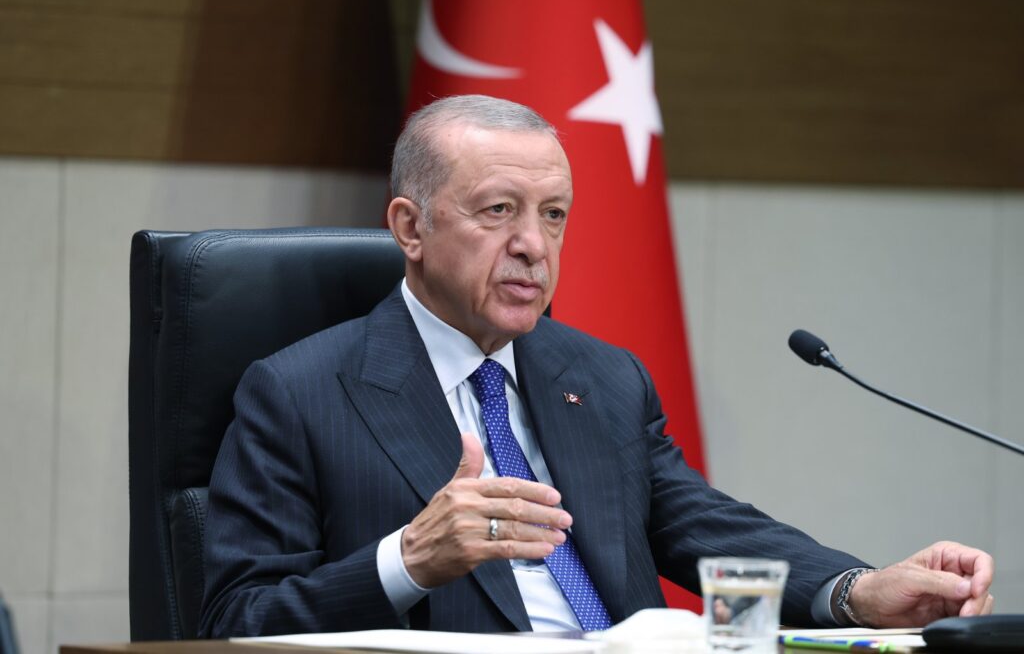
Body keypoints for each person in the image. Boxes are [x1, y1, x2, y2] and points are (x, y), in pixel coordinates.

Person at [199, 95, 994, 637]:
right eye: (499, 211)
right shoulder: (298, 392)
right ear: (411, 226)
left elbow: (703, 527)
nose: (534, 247)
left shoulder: (601, 375)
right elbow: (235, 622)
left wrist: (858, 592)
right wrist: (407, 560)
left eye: (553, 216)